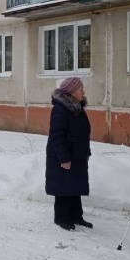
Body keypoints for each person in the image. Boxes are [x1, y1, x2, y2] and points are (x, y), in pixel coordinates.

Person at [45, 77, 93, 231]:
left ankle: (76, 216)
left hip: (77, 154)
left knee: (75, 185)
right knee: (63, 186)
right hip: (63, 155)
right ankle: (61, 218)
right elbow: (57, 135)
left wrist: (86, 151)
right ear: (72, 92)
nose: (83, 92)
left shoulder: (77, 108)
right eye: (80, 89)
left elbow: (83, 133)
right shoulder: (60, 109)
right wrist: (64, 158)